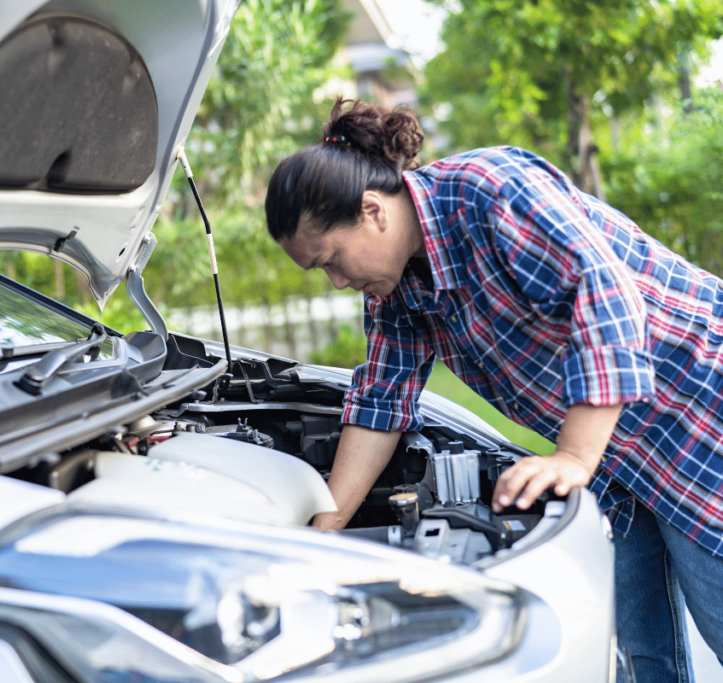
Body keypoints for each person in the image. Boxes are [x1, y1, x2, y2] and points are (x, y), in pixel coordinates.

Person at [264, 98, 723, 682]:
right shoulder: (396, 289)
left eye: (330, 259)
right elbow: (380, 400)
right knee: (636, 648)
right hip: (613, 451)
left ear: (372, 211)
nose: (336, 280)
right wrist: (323, 533)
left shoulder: (491, 192)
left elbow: (606, 295)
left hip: (695, 411)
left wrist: (574, 456)